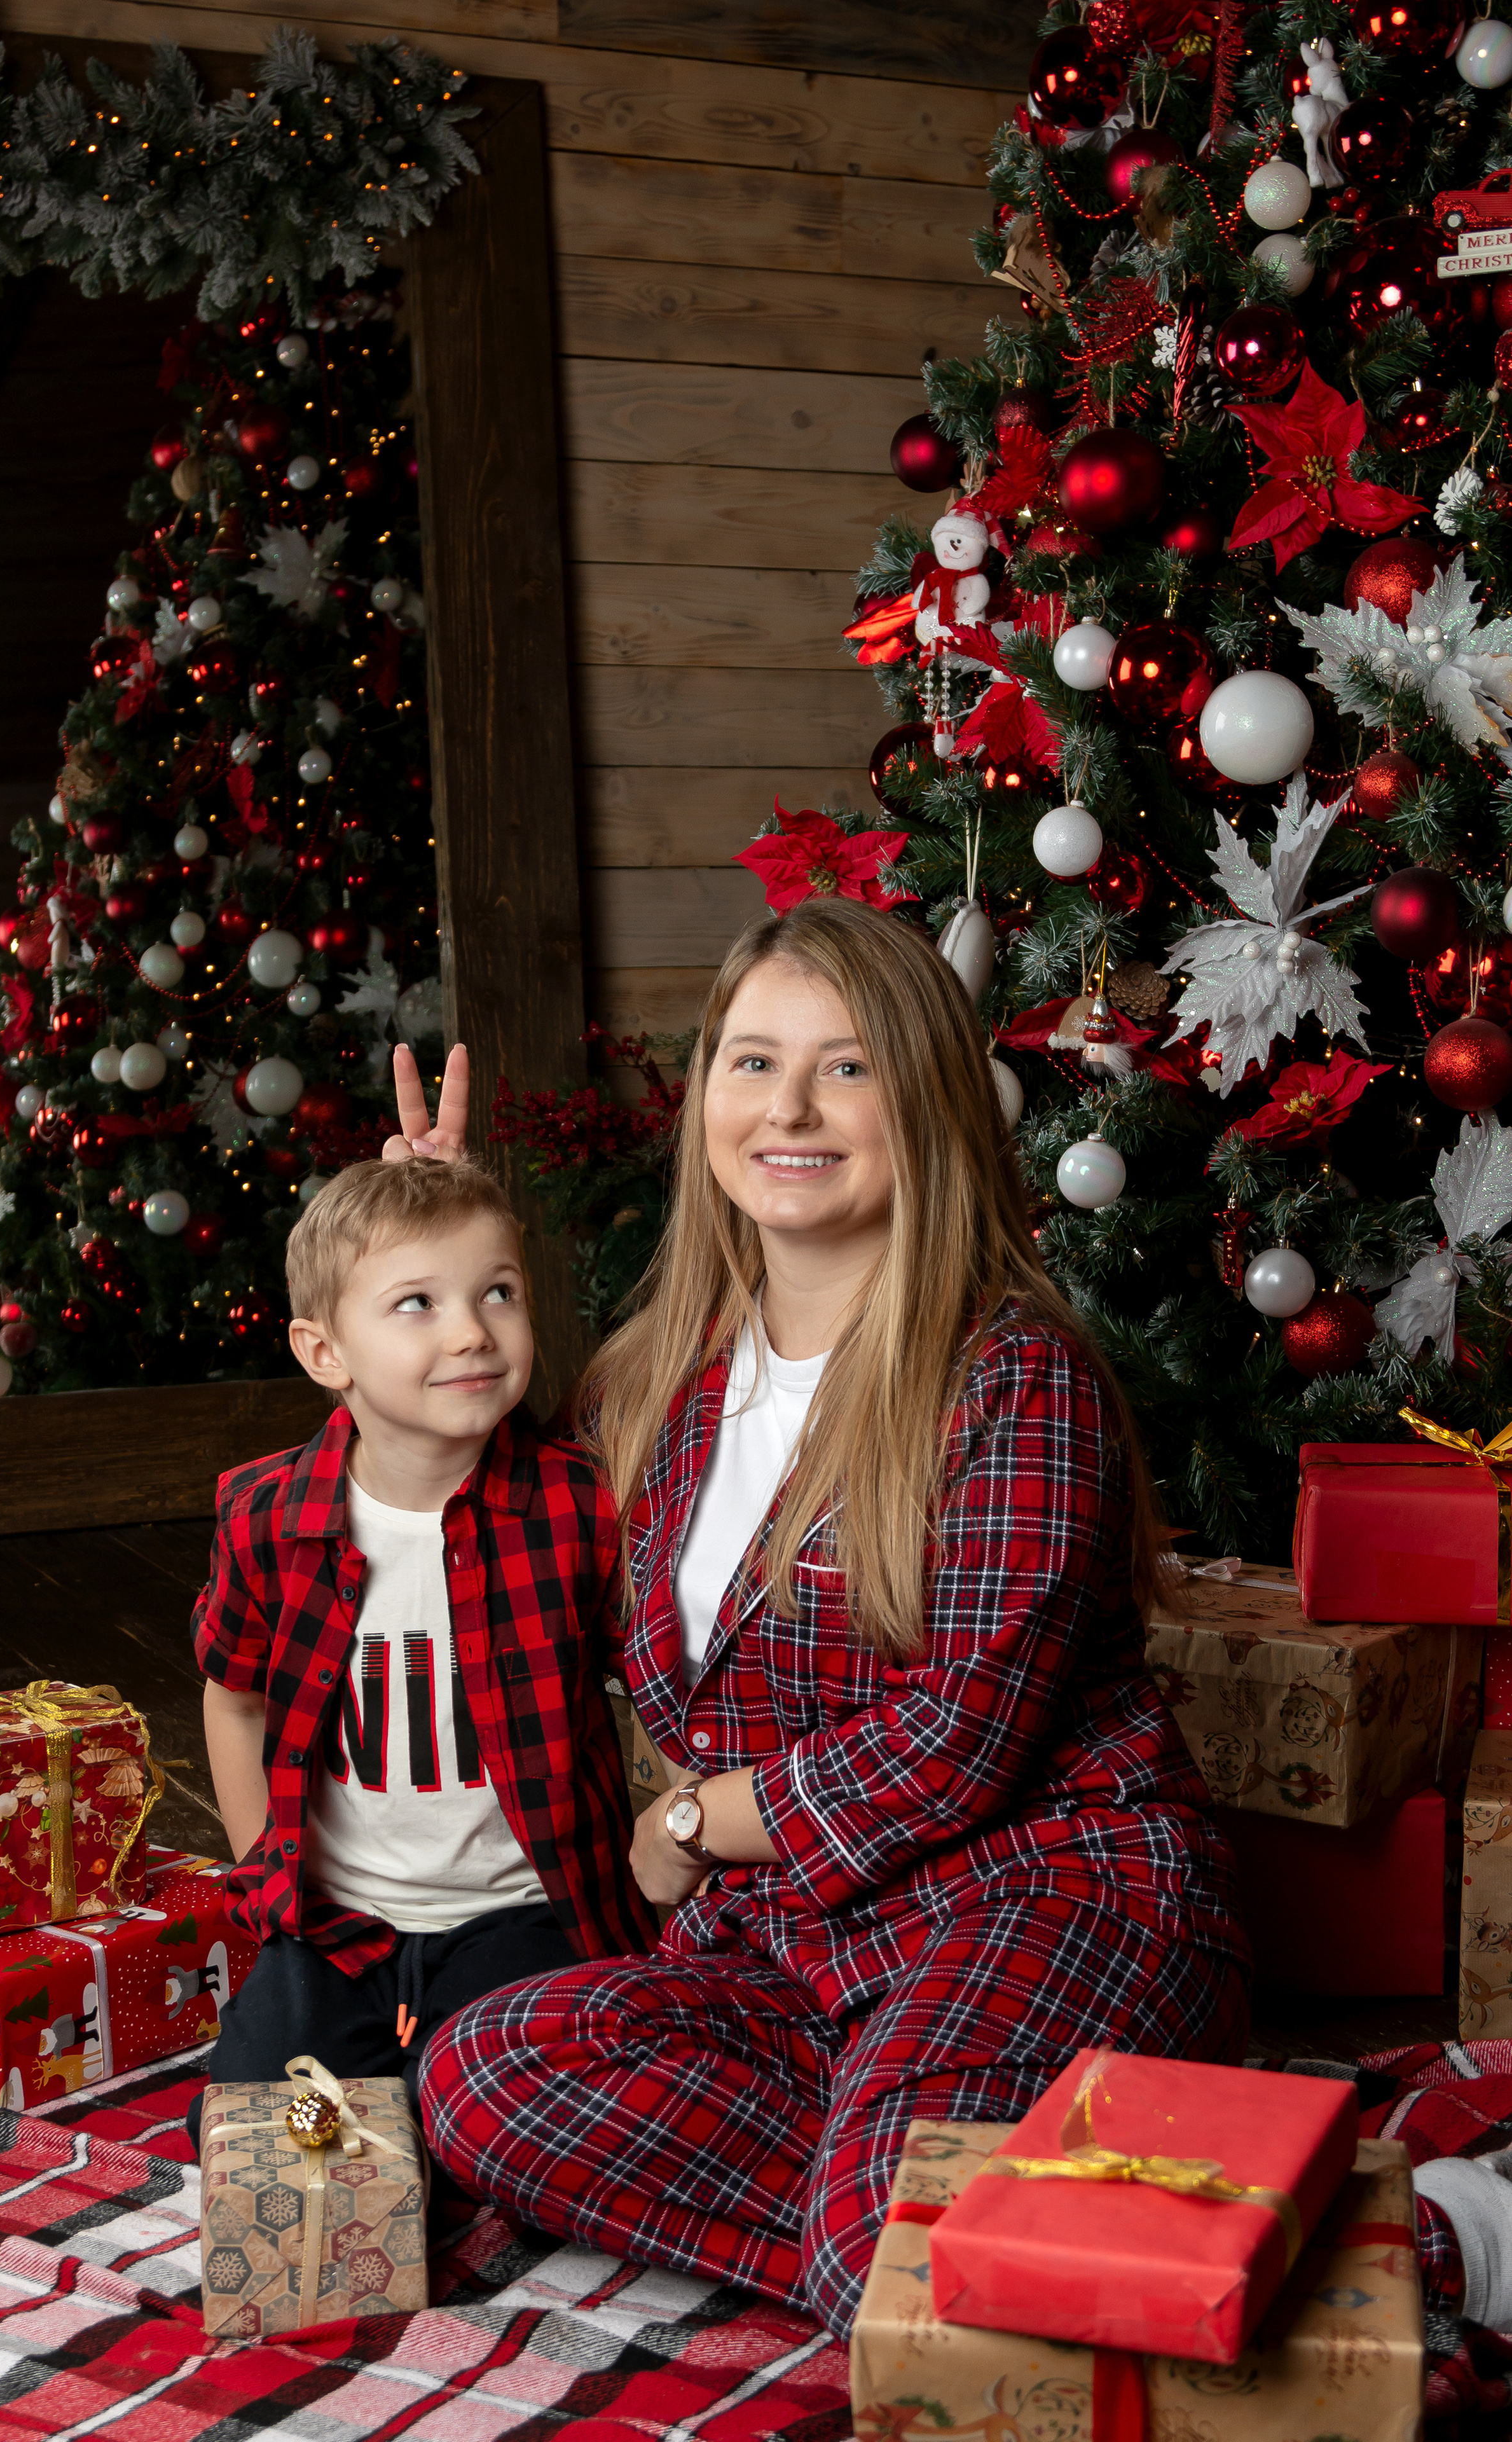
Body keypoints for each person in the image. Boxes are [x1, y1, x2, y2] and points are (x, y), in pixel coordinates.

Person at [392, 897, 1252, 2337]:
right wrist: (418, 1269)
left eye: (844, 1067)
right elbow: (491, 1565)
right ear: (707, 1099)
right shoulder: (649, 1384)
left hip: (1045, 1893)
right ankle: (1006, 2210)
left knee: (885, 2256)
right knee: (484, 2077)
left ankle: (1422, 2235)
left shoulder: (1012, 1376)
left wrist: (687, 1824)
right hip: (791, 1949)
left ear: (924, 1101)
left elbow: (957, 1743)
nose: (787, 1108)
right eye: (753, 1062)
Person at [188, 1155, 658, 2158]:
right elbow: (234, 1698)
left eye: (499, 1292)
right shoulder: (267, 1516)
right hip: (340, 1926)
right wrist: (262, 1866)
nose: (472, 1332)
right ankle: (383, 2107)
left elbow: (664, 1691)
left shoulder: (579, 1506)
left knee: (507, 2123)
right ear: (325, 1352)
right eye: (418, 1304)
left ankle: (436, 2113)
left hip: (524, 1915)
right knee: (258, 2133)